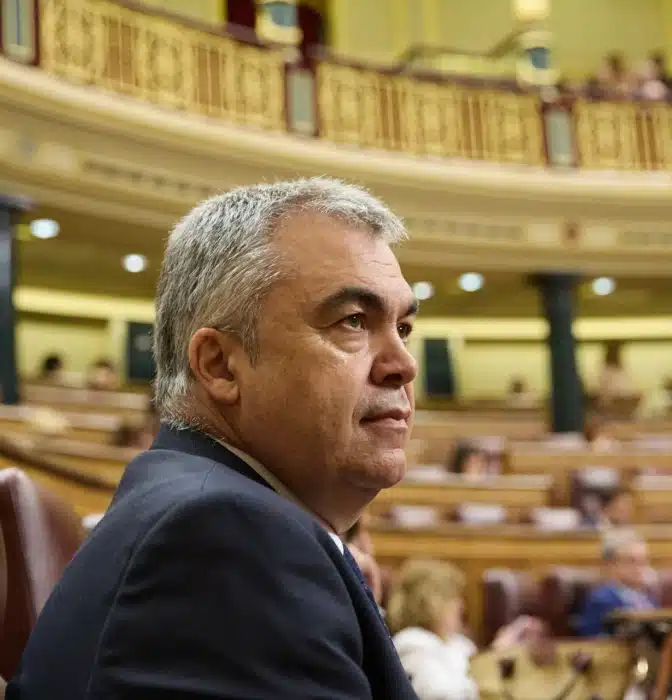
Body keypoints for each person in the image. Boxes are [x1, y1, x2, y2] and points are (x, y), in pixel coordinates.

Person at [9, 178, 420, 699]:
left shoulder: (222, 519)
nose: (403, 365)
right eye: (354, 321)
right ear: (220, 365)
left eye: (403, 328)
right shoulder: (227, 536)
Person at [389, 559, 543, 700]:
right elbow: (442, 695)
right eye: (452, 598)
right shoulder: (411, 643)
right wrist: (494, 656)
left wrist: (501, 651)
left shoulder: (459, 643)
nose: (461, 606)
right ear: (430, 602)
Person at [577, 530, 656, 637]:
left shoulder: (647, 597)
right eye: (631, 561)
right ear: (610, 564)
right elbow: (592, 639)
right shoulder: (601, 600)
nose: (641, 567)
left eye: (644, 560)